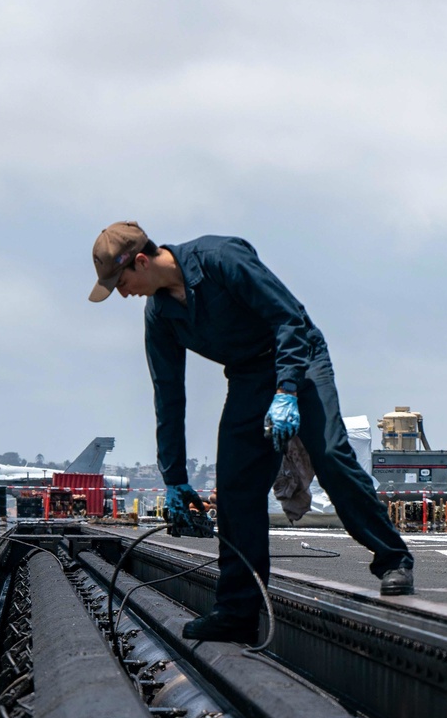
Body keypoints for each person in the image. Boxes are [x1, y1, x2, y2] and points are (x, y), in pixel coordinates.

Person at [88, 221, 414, 643]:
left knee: (331, 454)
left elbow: (289, 318)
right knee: (237, 485)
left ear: (142, 260)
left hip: (299, 356)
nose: (123, 292)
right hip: (247, 377)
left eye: (122, 281)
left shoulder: (221, 259)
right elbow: (168, 397)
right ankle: (238, 610)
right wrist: (174, 478)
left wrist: (287, 389)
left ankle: (393, 558)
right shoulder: (161, 316)